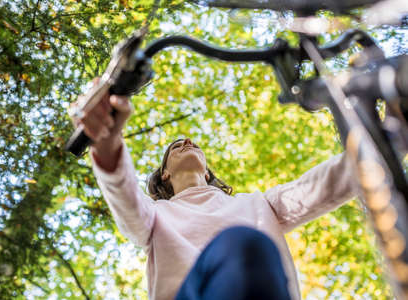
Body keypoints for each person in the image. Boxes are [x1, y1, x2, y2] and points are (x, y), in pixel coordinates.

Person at [73, 78, 358, 300]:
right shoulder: (157, 214)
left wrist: (388, 137)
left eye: (192, 144)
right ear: (165, 174)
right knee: (243, 242)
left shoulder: (258, 204)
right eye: (176, 147)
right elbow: (128, 205)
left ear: (207, 171)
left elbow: (321, 187)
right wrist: (108, 145)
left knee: (245, 244)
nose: (186, 140)